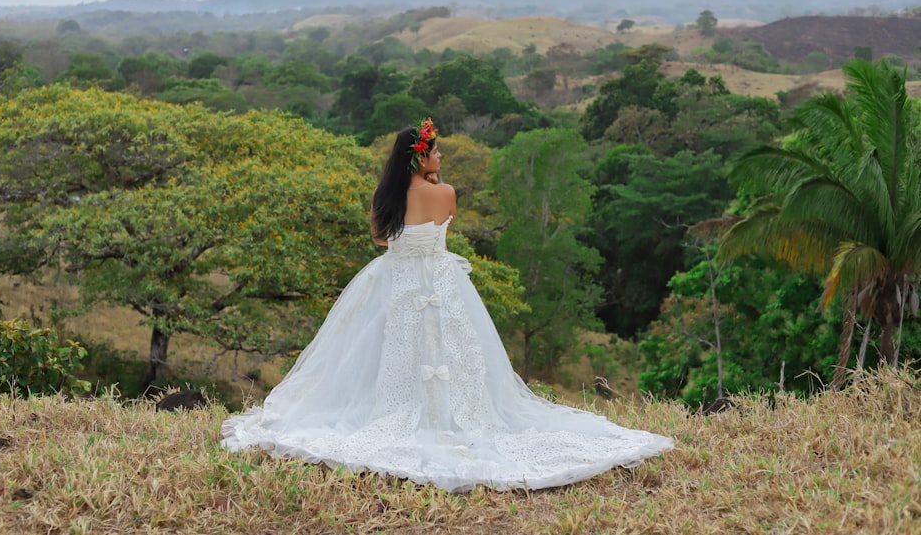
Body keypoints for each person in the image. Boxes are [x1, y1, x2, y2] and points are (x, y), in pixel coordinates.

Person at [221, 118, 673, 492]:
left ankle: (398, 410)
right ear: (422, 156)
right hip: (440, 277)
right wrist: (435, 185)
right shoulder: (446, 192)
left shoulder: (386, 195)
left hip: (393, 277)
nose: (441, 159)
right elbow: (440, 231)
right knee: (453, 349)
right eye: (436, 153)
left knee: (386, 349)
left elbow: (381, 239)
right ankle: (449, 414)